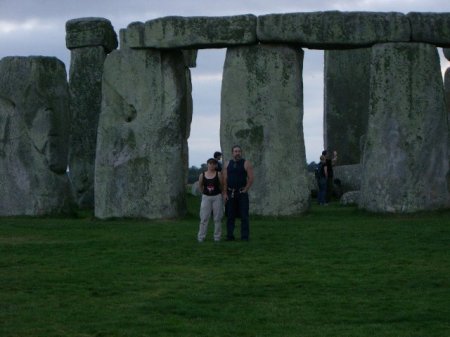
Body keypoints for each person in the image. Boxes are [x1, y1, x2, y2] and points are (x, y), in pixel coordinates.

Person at [222, 145, 254, 241]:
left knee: (244, 216)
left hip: (241, 193)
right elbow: (224, 179)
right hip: (230, 193)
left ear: (241, 152)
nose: (237, 153)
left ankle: (244, 237)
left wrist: (246, 189)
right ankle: (230, 236)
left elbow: (251, 178)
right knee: (230, 216)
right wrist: (224, 193)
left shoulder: (246, 163)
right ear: (232, 153)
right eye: (235, 151)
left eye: (239, 151)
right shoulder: (227, 164)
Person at [197, 158, 223, 242]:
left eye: (214, 164)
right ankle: (201, 237)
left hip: (217, 197)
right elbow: (200, 186)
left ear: (216, 165)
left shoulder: (218, 174)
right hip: (206, 197)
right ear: (207, 164)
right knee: (204, 218)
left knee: (217, 218)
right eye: (210, 163)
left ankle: (217, 237)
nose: (212, 165)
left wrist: (220, 194)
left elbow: (222, 185)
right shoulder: (202, 175)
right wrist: (204, 193)